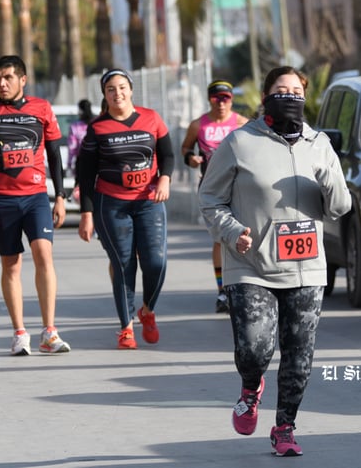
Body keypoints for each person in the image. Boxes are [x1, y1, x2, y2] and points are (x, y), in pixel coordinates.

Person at [198, 66, 351, 456]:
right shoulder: (239, 142)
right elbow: (210, 199)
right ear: (265, 96)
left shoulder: (318, 144)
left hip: (306, 268)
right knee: (254, 348)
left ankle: (285, 426)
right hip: (250, 264)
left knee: (299, 353)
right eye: (281, 90)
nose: (289, 97)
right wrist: (233, 232)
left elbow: (340, 207)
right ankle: (251, 388)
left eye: (297, 91)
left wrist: (328, 177)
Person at [0, 55, 71, 356]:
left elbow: (55, 155)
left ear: (23, 79)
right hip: (1, 200)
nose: (2, 83)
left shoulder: (41, 109)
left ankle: (49, 332)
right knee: (11, 264)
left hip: (36, 197)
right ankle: (19, 333)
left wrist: (61, 196)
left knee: (44, 255)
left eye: (8, 77)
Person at [77, 69, 174, 350]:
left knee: (156, 262)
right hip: (112, 203)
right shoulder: (97, 128)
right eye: (110, 89)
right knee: (123, 264)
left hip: (149, 201)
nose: (117, 93)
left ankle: (147, 309)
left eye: (121, 88)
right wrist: (86, 214)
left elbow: (167, 154)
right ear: (104, 95)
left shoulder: (151, 118)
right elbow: (85, 174)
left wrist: (164, 178)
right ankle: (126, 326)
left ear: (131, 90)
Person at [180, 79, 248, 313]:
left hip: (240, 187)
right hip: (212, 190)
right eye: (216, 98)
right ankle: (223, 292)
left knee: (245, 235)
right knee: (220, 238)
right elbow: (186, 149)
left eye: (226, 98)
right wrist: (192, 159)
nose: (221, 103)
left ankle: (246, 287)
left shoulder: (242, 123)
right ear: (209, 100)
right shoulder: (198, 125)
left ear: (231, 100)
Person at [67, 98, 94, 177]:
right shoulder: (95, 124)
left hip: (81, 161)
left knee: (80, 186)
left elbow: (72, 147)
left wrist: (69, 163)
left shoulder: (75, 126)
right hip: (96, 160)